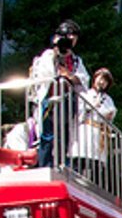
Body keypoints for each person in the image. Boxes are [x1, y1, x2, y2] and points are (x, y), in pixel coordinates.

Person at [29, 20, 86, 169]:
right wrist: (56, 54)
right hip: (50, 98)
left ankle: (61, 164)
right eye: (69, 35)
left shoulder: (76, 60)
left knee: (65, 134)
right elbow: (44, 74)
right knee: (47, 135)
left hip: (68, 100)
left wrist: (70, 76)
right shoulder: (48, 54)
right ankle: (45, 164)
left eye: (74, 36)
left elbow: (84, 79)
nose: (72, 39)